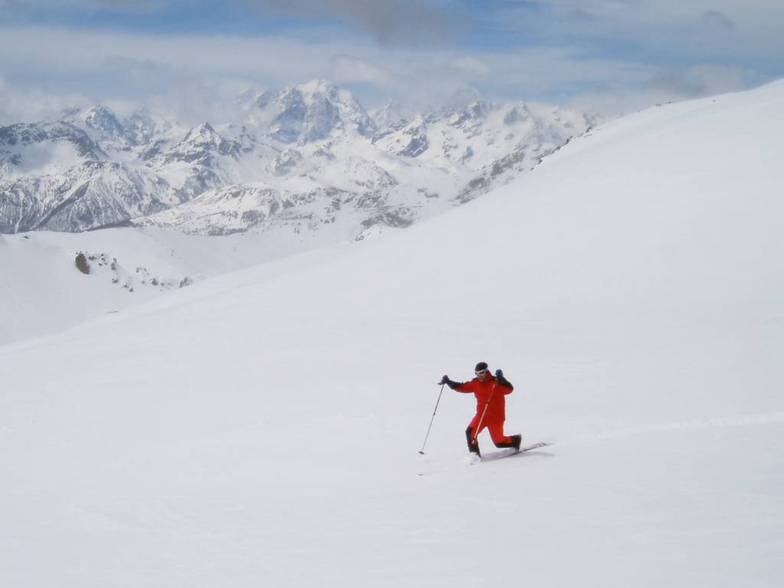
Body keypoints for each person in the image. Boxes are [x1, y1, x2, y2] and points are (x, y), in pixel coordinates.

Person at [440, 362, 521, 457]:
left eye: (482, 373)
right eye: (477, 373)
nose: (479, 376)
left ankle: (516, 440)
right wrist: (448, 382)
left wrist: (502, 378)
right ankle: (475, 457)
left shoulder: (495, 383)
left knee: (499, 443)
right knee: (470, 433)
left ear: (487, 371)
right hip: (481, 416)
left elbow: (509, 390)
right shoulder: (476, 383)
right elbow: (462, 387)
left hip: (495, 418)